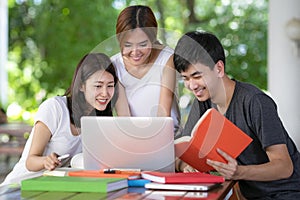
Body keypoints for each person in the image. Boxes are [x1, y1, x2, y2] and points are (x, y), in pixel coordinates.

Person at [173, 31, 300, 199]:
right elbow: (184, 148)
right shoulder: (203, 101)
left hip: (286, 193)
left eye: (197, 76)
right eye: (185, 78)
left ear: (219, 68)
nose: (192, 85)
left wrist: (239, 172)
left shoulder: (255, 102)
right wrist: (184, 165)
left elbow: (284, 167)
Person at [0, 53, 118, 186]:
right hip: (19, 188)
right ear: (81, 86)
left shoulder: (99, 120)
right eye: (98, 86)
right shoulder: (55, 108)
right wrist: (46, 161)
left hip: (53, 188)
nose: (105, 93)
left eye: (110, 85)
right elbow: (30, 162)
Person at [111, 5, 181, 134]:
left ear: (152, 39)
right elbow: (124, 117)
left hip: (168, 135)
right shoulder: (114, 65)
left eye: (143, 44)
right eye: (127, 45)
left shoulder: (167, 58)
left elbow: (163, 114)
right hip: (133, 136)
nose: (135, 52)